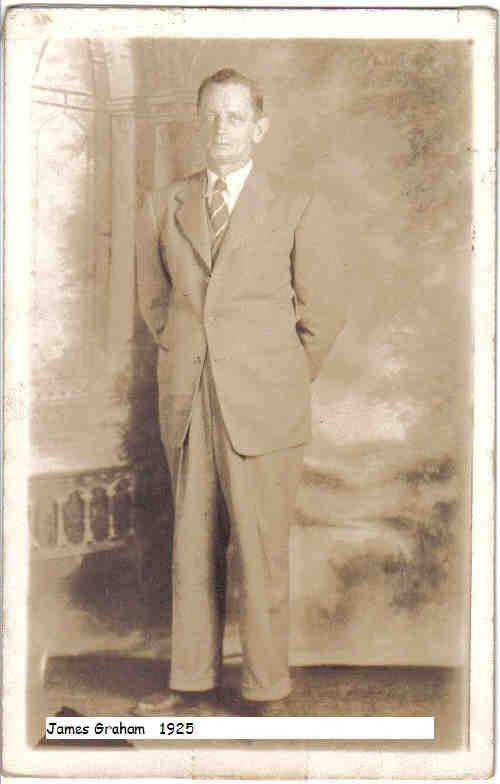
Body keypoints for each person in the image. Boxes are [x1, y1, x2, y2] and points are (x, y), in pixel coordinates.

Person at [134, 68, 346, 714]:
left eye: (235, 117)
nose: (221, 128)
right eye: (210, 116)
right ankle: (191, 683)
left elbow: (323, 312)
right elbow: (155, 306)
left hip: (264, 403)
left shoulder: (296, 206)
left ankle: (265, 688)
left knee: (260, 551)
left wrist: (280, 376)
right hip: (189, 397)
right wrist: (191, 361)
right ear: (197, 124)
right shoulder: (162, 205)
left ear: (259, 127)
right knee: (192, 548)